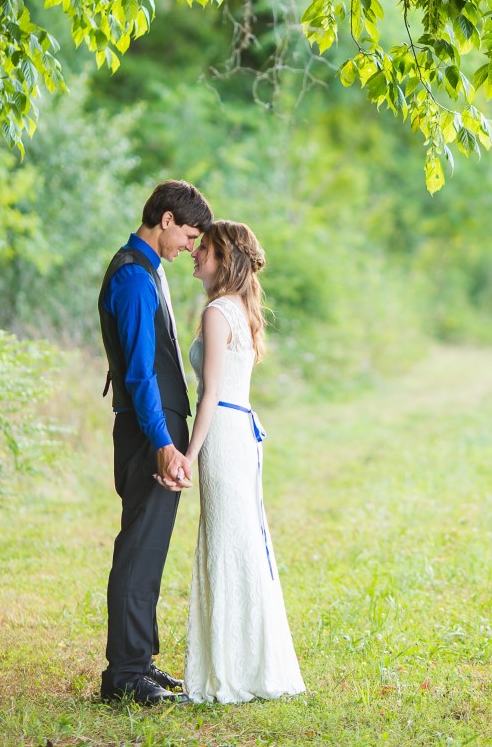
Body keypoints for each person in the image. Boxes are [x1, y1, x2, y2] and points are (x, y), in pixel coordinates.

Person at [97, 180, 213, 705]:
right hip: (150, 431)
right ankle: (123, 675)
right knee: (138, 550)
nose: (191, 245)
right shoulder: (133, 277)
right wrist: (165, 444)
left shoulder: (149, 272)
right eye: (188, 235)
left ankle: (139, 663)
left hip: (157, 427)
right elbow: (141, 375)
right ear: (165, 219)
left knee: (149, 549)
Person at [180, 220, 305, 703]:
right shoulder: (240, 310)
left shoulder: (217, 312)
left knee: (227, 543)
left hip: (223, 436)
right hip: (239, 432)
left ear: (223, 257)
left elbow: (210, 392)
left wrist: (189, 454)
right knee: (240, 541)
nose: (196, 255)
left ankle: (233, 668)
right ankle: (248, 661)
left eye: (204, 249)